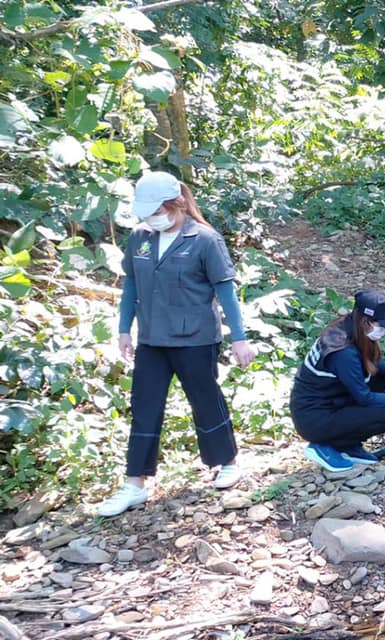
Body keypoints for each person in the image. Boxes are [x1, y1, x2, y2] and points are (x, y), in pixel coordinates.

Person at [99, 171, 257, 517]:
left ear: (178, 203)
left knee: (205, 399)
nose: (152, 219)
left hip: (195, 339)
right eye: (147, 214)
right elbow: (131, 287)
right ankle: (135, 483)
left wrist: (239, 338)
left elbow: (226, 293)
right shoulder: (140, 238)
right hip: (152, 339)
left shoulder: (205, 240)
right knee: (144, 406)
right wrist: (124, 330)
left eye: (158, 211)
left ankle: (227, 462)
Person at [289, 290, 385, 472]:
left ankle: (347, 444)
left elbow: (373, 362)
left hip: (330, 402)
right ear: (366, 321)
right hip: (314, 419)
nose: (383, 331)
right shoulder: (342, 352)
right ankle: (325, 445)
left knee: (382, 378)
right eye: (381, 325)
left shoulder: (348, 327)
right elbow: (365, 398)